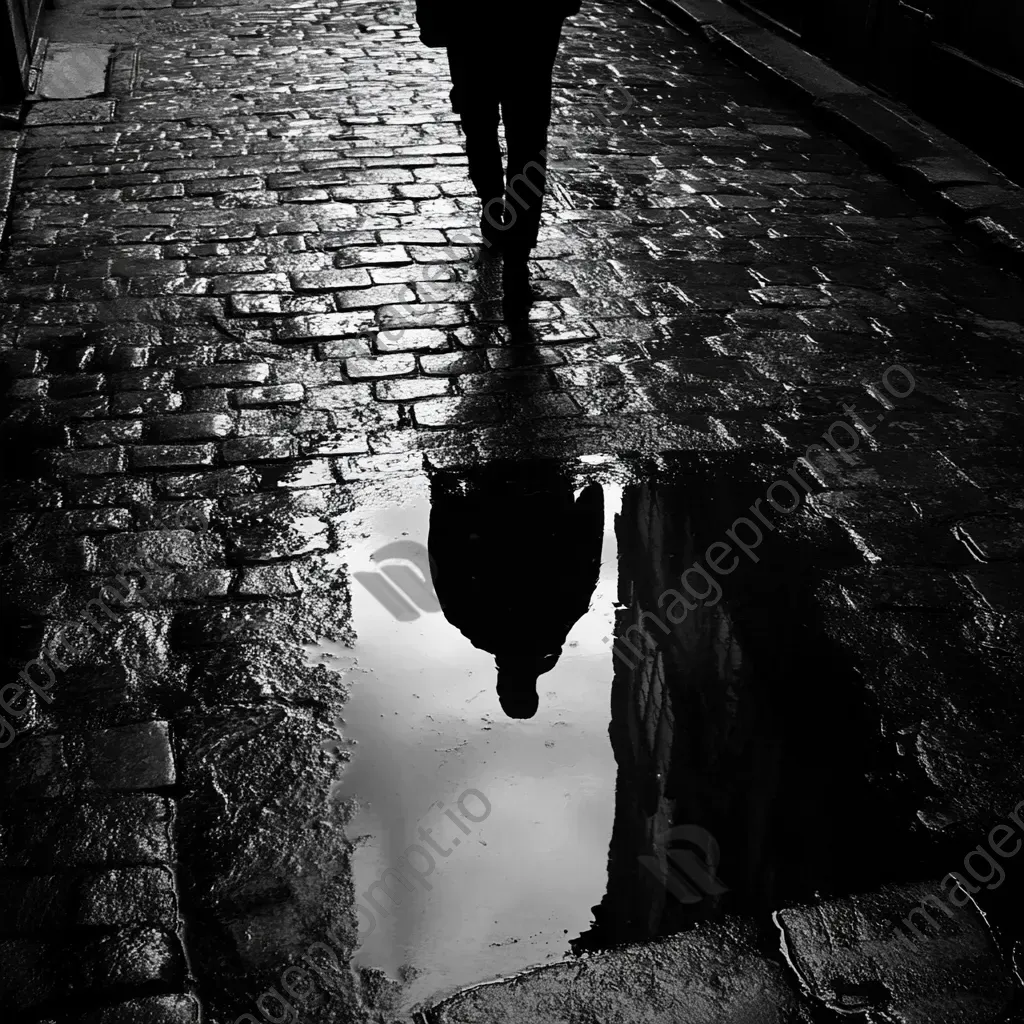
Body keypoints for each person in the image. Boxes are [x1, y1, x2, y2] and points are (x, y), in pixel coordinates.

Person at [415, 0, 582, 307]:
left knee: (483, 128)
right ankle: (516, 258)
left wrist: (430, 14)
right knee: (526, 143)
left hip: (472, 25)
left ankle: (494, 212)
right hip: (530, 26)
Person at [427, 463, 603, 719]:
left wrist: (591, 495)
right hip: (491, 498)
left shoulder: (557, 623)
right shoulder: (471, 622)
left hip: (547, 494)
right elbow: (442, 553)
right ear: (501, 685)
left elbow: (586, 555)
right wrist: (443, 491)